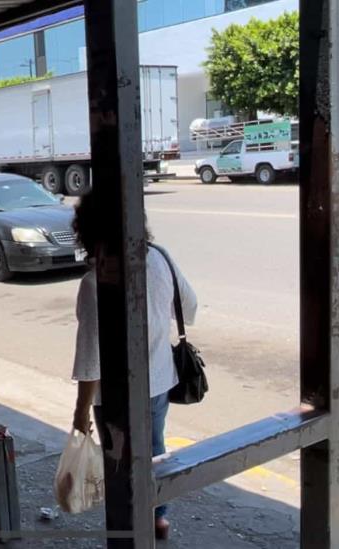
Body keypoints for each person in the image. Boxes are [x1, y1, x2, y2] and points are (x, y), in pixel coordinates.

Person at [70, 190, 197, 540]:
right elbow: (191, 307)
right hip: (158, 381)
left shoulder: (94, 283)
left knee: (119, 464)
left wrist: (81, 413)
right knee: (153, 448)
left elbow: (90, 356)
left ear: (88, 230)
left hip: (113, 397)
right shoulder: (159, 258)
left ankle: (128, 528)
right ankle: (157, 516)